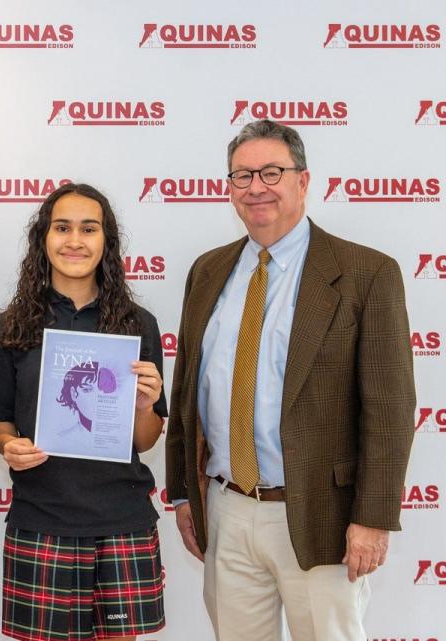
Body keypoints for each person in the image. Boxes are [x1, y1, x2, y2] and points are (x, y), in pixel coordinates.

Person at [165, 119, 415, 641]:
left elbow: (389, 409)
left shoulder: (367, 273)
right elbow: (189, 390)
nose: (256, 187)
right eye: (241, 175)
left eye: (272, 172)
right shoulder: (207, 271)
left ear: (303, 181)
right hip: (226, 510)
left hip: (321, 516)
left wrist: (372, 518)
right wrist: (185, 494)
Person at [0, 183, 168, 641]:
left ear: (106, 241)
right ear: (43, 238)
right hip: (41, 517)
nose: (75, 240)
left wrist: (145, 403)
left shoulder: (138, 325)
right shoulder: (10, 326)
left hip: (121, 519)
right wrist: (9, 445)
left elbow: (145, 439)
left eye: (89, 229)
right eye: (62, 227)